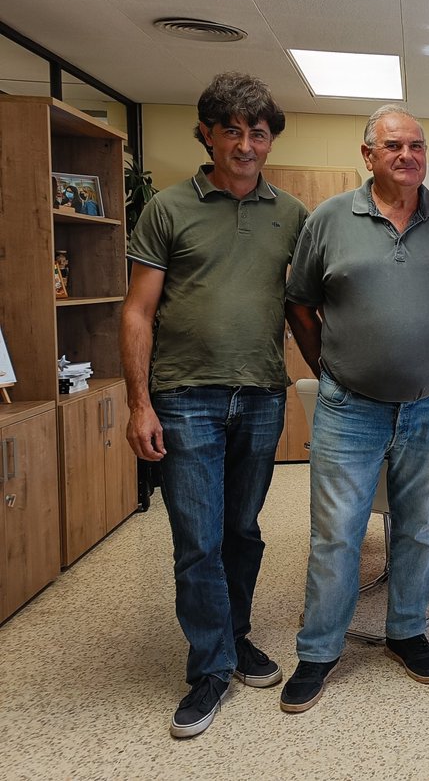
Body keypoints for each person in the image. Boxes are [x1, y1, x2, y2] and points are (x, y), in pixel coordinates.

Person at [121, 72, 308, 739]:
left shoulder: (290, 214)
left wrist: (329, 375)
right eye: (231, 128)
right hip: (185, 397)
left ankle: (234, 638)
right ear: (206, 132)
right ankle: (208, 667)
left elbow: (301, 307)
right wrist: (140, 405)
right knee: (196, 541)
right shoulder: (167, 209)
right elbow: (138, 314)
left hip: (260, 393)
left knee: (241, 532)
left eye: (258, 132)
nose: (246, 143)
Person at [280, 105, 429, 713]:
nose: (408, 155)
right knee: (336, 535)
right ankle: (318, 651)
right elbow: (300, 303)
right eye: (393, 145)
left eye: (417, 144)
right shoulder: (330, 218)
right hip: (350, 410)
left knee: (418, 529)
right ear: (367, 154)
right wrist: (328, 372)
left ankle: (407, 632)